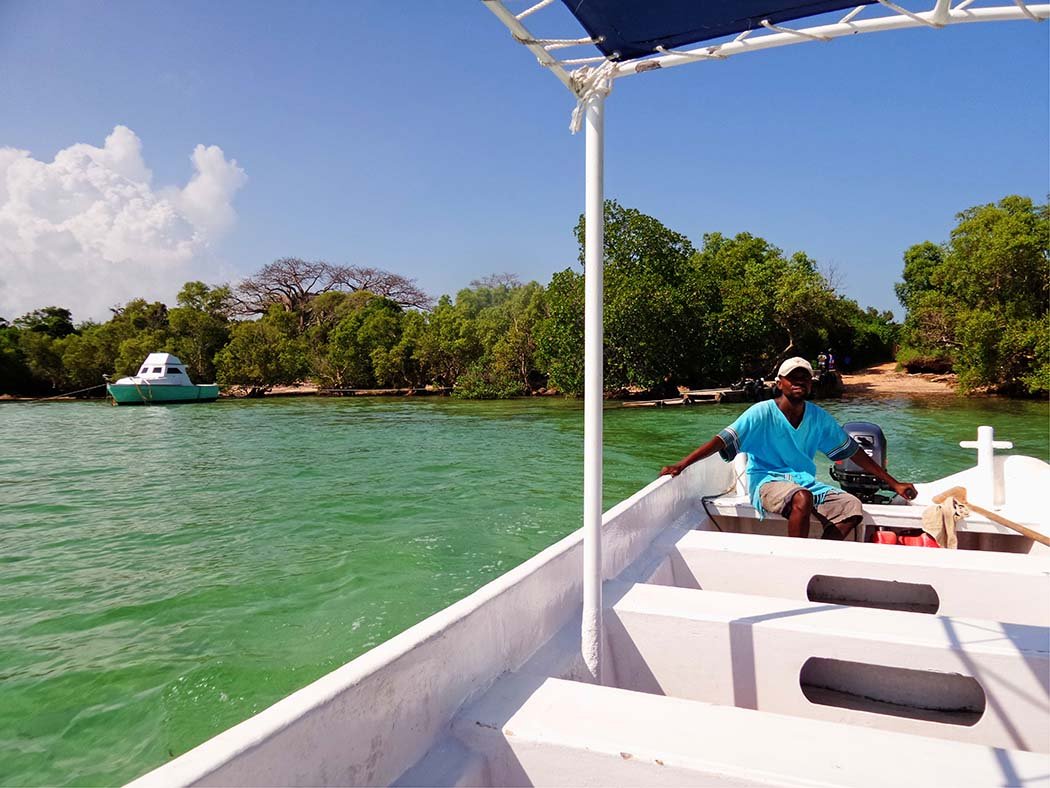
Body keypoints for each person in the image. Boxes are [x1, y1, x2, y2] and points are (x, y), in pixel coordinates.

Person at [660, 357, 917, 539]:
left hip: (803, 482)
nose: (799, 382)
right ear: (780, 383)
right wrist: (682, 465)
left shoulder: (818, 418)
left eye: (805, 378)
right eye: (793, 377)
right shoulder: (761, 413)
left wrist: (893, 484)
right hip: (767, 482)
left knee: (851, 506)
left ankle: (818, 554)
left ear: (811, 384)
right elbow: (722, 440)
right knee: (801, 497)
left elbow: (853, 451)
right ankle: (796, 560)